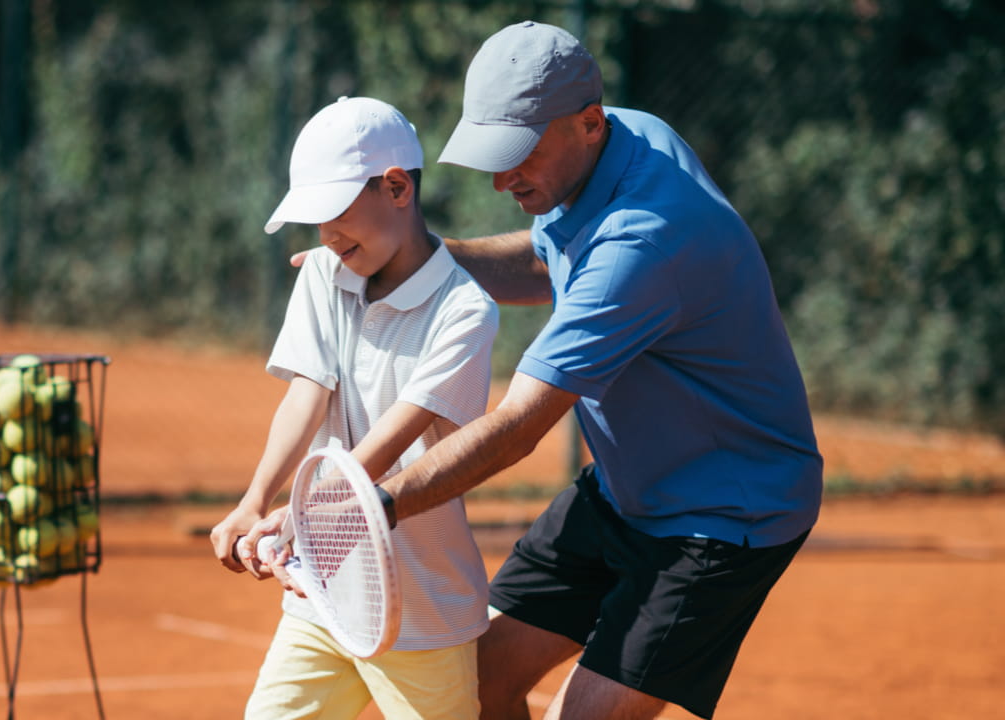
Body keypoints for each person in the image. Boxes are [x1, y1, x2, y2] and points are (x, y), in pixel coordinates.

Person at [300, 22, 822, 720]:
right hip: (624, 490)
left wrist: (375, 507)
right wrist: (413, 264)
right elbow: (548, 259)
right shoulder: (623, 140)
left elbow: (517, 426)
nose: (499, 177)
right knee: (476, 691)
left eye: (518, 154)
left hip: (724, 515)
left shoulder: (645, 241)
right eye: (490, 152)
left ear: (587, 124)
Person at [209, 96, 500, 720]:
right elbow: (306, 392)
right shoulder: (322, 273)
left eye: (336, 211)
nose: (327, 235)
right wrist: (255, 500)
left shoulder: (465, 311)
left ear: (397, 187)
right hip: (323, 597)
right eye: (316, 220)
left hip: (424, 611)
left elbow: (396, 437)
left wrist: (307, 516)